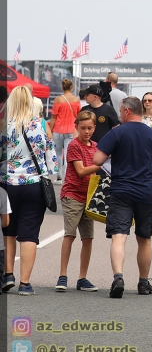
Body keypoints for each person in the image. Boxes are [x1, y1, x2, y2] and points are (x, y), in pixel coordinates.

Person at [93, 97, 152, 298]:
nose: (119, 114)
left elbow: (97, 159)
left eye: (120, 111)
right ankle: (144, 283)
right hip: (147, 192)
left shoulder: (117, 132)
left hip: (122, 191)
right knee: (144, 239)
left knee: (119, 236)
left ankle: (118, 277)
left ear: (127, 111)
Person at [0, 85, 59, 295]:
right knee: (29, 235)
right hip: (33, 185)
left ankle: (8, 275)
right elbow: (52, 160)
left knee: (8, 232)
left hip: (6, 185)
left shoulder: (3, 126)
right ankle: (25, 283)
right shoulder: (40, 126)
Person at [56, 111, 102, 292]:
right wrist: (102, 164)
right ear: (76, 128)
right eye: (83, 128)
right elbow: (81, 171)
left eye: (90, 128)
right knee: (69, 234)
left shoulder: (96, 147)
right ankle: (62, 275)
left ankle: (82, 277)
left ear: (94, 128)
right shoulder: (74, 146)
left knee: (88, 238)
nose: (86, 131)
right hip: (72, 195)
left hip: (89, 197)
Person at [50, 78, 81, 182]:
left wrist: (50, 130)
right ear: (71, 87)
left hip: (58, 130)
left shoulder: (58, 100)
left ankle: (58, 176)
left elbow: (53, 117)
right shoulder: (76, 100)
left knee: (58, 154)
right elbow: (78, 116)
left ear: (62, 87)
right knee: (68, 154)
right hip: (71, 130)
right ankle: (68, 177)